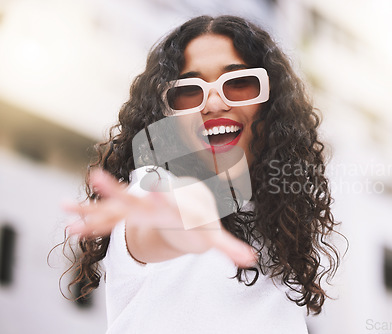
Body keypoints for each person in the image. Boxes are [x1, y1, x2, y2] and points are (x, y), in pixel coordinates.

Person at [61, 15, 341, 333]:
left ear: (272, 103)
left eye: (238, 83)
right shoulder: (153, 189)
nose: (213, 103)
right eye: (189, 91)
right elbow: (170, 215)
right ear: (166, 114)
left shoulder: (278, 226)